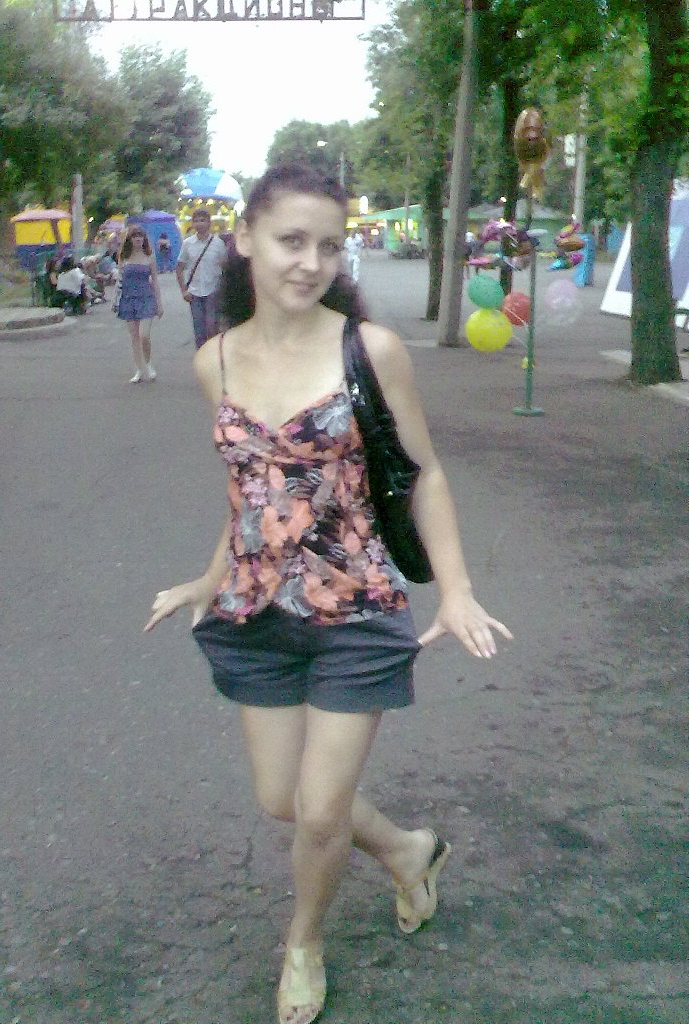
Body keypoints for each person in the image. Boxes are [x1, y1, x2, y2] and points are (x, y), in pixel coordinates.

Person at [144, 164, 513, 1024]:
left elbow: (423, 474)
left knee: (318, 815)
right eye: (291, 240)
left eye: (328, 245)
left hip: (356, 610)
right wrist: (207, 577)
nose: (310, 262)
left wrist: (456, 591)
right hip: (254, 613)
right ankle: (409, 850)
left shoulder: (370, 350)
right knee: (284, 800)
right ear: (245, 240)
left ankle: (303, 945)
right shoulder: (212, 361)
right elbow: (253, 492)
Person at [117, 224, 163, 383]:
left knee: (144, 335)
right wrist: (116, 301)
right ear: (129, 239)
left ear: (144, 239)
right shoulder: (124, 257)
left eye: (140, 236)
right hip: (128, 298)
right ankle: (139, 369)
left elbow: (155, 281)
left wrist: (159, 303)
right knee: (134, 337)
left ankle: (148, 364)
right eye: (135, 236)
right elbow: (119, 280)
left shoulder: (149, 256)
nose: (138, 239)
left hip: (146, 297)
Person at [176, 207, 227, 349]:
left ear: (209, 223)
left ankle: (214, 355)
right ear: (192, 224)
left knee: (212, 327)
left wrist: (224, 290)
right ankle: (201, 356)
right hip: (194, 292)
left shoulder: (218, 244)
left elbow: (225, 268)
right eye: (196, 221)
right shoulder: (188, 244)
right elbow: (179, 268)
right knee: (199, 331)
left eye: (202, 220)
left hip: (213, 291)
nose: (199, 224)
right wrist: (183, 290)